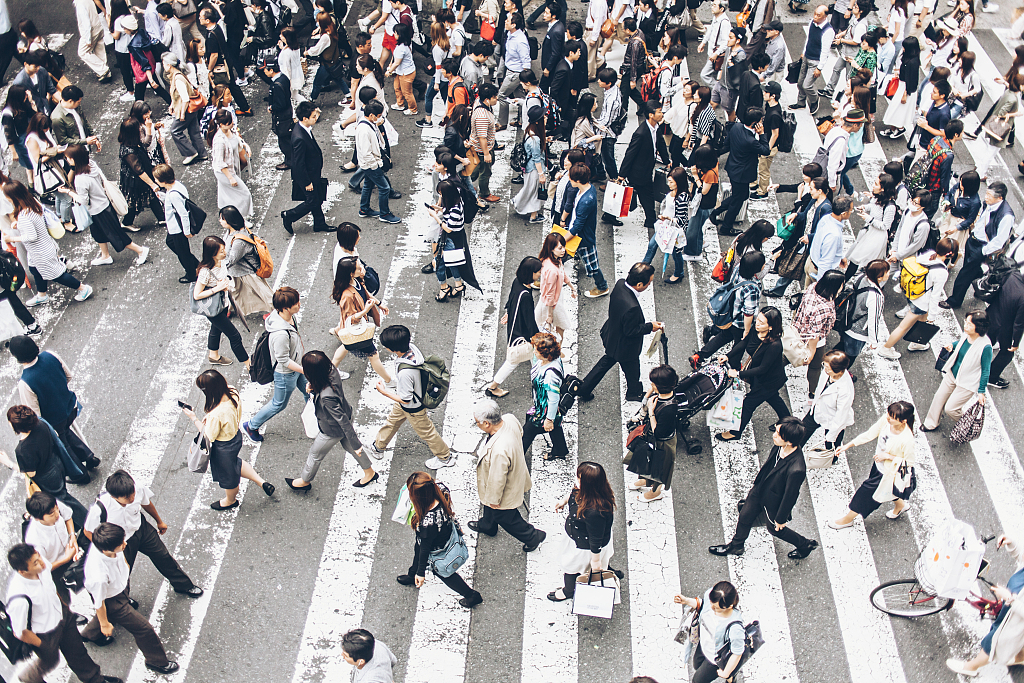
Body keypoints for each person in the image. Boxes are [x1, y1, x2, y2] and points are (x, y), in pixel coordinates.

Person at [5, 544, 123, 683]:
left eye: (39, 557)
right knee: (50, 661)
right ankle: (29, 678)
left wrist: (64, 608)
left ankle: (95, 680)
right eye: (35, 563)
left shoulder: (42, 567)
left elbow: (51, 586)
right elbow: (20, 632)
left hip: (64, 618)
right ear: (23, 571)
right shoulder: (19, 598)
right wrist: (42, 645)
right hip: (45, 634)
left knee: (78, 652)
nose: (42, 562)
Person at [709, 416, 819, 559]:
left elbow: (790, 496)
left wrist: (781, 518)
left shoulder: (797, 469)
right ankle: (737, 545)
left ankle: (805, 545)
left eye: (778, 434)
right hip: (760, 489)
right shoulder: (780, 445)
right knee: (745, 516)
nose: (774, 435)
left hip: (773, 501)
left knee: (776, 529)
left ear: (790, 441)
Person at [80, 523, 180, 674]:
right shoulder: (98, 575)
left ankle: (90, 634)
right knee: (144, 629)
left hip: (119, 587)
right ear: (106, 550)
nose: (125, 544)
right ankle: (156, 662)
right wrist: (104, 624)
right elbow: (99, 602)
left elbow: (121, 558)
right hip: (113, 600)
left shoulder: (109, 545)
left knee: (112, 614)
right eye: (121, 544)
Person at [181, 370, 274, 510]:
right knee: (235, 463)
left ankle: (230, 501)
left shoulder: (217, 414)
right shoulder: (232, 391)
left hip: (223, 447)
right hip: (235, 437)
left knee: (229, 478)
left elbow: (208, 436)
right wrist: (210, 416)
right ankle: (261, 482)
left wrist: (194, 418)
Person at [284, 351, 375, 490]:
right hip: (346, 413)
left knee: (315, 454)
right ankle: (369, 472)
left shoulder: (327, 396)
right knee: (350, 447)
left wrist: (357, 444)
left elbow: (342, 421)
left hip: (332, 429)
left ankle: (304, 481)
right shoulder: (332, 371)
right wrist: (312, 387)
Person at [9, 336, 99, 475]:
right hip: (71, 406)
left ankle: (80, 474)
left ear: (17, 357)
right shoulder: (51, 355)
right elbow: (68, 376)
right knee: (67, 431)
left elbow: (36, 416)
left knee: (63, 447)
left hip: (56, 421)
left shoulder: (25, 383)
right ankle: (88, 456)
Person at [579, 262, 665, 402]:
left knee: (605, 363)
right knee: (633, 371)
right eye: (648, 283)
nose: (649, 285)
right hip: (625, 347)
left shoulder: (620, 284)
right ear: (639, 284)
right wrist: (650, 327)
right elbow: (631, 331)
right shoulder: (632, 308)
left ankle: (584, 388)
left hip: (612, 336)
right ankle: (633, 393)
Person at [467, 399, 546, 551]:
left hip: (506, 487)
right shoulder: (510, 419)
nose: (477, 425)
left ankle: (533, 536)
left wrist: (493, 499)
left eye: (477, 422)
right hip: (516, 471)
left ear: (487, 424)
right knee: (490, 507)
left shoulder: (499, 451)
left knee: (505, 517)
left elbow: (497, 479)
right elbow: (521, 433)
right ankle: (488, 525)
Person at [396, 471, 483, 607]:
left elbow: (425, 548)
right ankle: (412, 575)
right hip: (445, 533)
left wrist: (421, 573)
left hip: (437, 548)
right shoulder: (441, 489)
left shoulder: (427, 523)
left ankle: (471, 595)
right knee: (418, 550)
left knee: (443, 573)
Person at [372, 325, 453, 468]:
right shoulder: (412, 350)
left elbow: (405, 399)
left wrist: (383, 391)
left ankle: (445, 457)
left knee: (427, 432)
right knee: (392, 422)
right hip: (411, 400)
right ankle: (378, 447)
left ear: (392, 349)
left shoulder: (405, 372)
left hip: (413, 407)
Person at [2, 181, 93, 306]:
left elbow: (31, 236)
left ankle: (83, 288)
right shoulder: (32, 203)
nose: (6, 199)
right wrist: (19, 225)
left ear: (14, 197)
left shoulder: (24, 215)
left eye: (7, 196)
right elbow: (34, 224)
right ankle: (42, 295)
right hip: (44, 246)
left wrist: (11, 238)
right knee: (34, 269)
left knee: (56, 275)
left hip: (41, 252)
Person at [946, 533, 1024, 677]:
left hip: (1016, 620)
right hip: (1011, 610)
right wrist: (1012, 544)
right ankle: (1020, 656)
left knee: (994, 641)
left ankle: (971, 667)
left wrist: (1009, 598)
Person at [830, 401, 917, 527]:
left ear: (903, 421)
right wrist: (848, 445)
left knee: (865, 495)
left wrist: (888, 456)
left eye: (892, 417)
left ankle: (847, 520)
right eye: (889, 414)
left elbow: (909, 463)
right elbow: (870, 434)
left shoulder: (907, 439)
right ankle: (900, 505)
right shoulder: (886, 421)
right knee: (888, 490)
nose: (888, 418)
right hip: (878, 466)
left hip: (888, 473)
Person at [240, 287, 309, 442]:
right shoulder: (280, 334)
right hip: (286, 374)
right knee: (279, 404)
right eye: (296, 303)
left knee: (310, 392)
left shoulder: (288, 317)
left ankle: (317, 418)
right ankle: (251, 426)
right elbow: (283, 360)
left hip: (297, 366)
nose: (299, 304)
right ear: (285, 308)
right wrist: (304, 370)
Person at [714, 307, 789, 441]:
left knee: (748, 403)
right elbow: (744, 343)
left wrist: (738, 373)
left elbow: (763, 369)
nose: (757, 323)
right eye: (757, 319)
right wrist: (728, 355)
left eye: (761, 322)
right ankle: (788, 423)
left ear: (771, 327)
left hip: (769, 381)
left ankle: (735, 433)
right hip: (760, 377)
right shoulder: (757, 329)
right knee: (773, 398)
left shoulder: (775, 345)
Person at [3, 406, 89, 521]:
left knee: (64, 501)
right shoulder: (40, 423)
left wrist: (9, 463)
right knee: (63, 497)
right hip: (57, 464)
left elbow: (31, 473)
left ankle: (88, 521)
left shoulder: (23, 449)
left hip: (48, 479)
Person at [877, 236, 958, 359]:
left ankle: (918, 343)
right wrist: (932, 317)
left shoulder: (929, 255)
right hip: (921, 302)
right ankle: (886, 348)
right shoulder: (942, 272)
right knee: (903, 327)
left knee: (922, 320)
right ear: (950, 254)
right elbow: (935, 296)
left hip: (913, 292)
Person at [548, 462, 615, 601]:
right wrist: (564, 500)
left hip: (584, 546)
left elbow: (595, 538)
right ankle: (607, 568)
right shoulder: (593, 492)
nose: (576, 480)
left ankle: (568, 591)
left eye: (579, 478)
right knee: (597, 564)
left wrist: (595, 561)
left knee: (571, 568)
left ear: (588, 485)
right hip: (582, 538)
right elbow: (573, 493)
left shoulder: (594, 511)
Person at [943, 182, 1016, 309]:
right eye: (986, 193)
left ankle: (954, 301)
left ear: (1000, 197)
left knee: (965, 274)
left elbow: (1000, 240)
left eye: (989, 195)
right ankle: (980, 287)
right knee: (973, 269)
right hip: (973, 240)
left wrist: (983, 251)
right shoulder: (990, 204)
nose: (986, 197)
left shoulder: (1006, 216)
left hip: (982, 247)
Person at [922, 310, 992, 431]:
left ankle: (967, 425)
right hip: (952, 373)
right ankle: (931, 423)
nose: (965, 325)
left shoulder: (985, 347)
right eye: (966, 322)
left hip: (967, 383)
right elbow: (961, 343)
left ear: (979, 327)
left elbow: (986, 370)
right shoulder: (967, 334)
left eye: (969, 324)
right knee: (939, 397)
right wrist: (953, 345)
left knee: (951, 409)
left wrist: (981, 391)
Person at [693, 253, 765, 365]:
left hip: (729, 315)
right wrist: (747, 330)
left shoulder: (738, 269)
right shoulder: (751, 288)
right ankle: (733, 365)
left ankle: (699, 356)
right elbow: (748, 313)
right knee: (739, 344)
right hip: (740, 322)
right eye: (762, 264)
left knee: (723, 336)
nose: (764, 265)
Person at [485, 258, 542, 397]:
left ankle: (538, 381)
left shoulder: (517, 282)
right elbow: (530, 321)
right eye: (538, 271)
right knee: (514, 361)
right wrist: (537, 338)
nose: (540, 273)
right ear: (531, 273)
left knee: (532, 358)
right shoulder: (526, 296)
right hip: (522, 333)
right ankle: (492, 387)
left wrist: (509, 312)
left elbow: (511, 299)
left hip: (515, 327)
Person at [709, 106, 768, 236]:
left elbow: (727, 145)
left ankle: (716, 212)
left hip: (733, 168)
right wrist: (762, 134)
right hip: (742, 174)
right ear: (755, 123)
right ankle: (726, 227)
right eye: (761, 120)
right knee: (737, 201)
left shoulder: (736, 127)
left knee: (741, 196)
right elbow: (765, 150)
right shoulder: (750, 141)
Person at [192, 235, 250, 368]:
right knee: (235, 336)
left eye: (224, 249)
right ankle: (249, 364)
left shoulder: (222, 261)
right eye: (221, 251)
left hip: (223, 303)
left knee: (216, 328)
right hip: (213, 307)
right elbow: (197, 295)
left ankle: (213, 355)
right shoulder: (205, 272)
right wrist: (217, 288)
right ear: (213, 254)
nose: (225, 252)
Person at [625, 364, 679, 502]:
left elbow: (659, 433)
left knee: (659, 468)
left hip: (663, 442)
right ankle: (645, 480)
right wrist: (649, 395)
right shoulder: (665, 393)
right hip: (652, 437)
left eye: (653, 384)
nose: (651, 386)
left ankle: (656, 492)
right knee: (647, 460)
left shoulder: (669, 409)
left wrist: (651, 412)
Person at [673, 581, 745, 683]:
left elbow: (737, 653)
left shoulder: (735, 628)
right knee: (696, 665)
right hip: (704, 646)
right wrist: (686, 600)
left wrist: (726, 673)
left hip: (716, 659)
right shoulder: (710, 596)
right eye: (711, 604)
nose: (712, 608)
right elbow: (703, 604)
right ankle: (731, 676)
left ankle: (731, 678)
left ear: (729, 607)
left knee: (697, 681)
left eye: (716, 608)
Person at [792, 269, 845, 394]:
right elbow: (814, 335)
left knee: (787, 355)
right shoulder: (824, 308)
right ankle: (813, 392)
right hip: (812, 340)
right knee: (815, 367)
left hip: (797, 330)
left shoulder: (813, 287)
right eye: (841, 284)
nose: (843, 286)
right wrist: (811, 353)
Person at [618, 101, 670, 230]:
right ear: (651, 115)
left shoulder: (656, 127)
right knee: (645, 195)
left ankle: (650, 219)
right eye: (659, 111)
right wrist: (622, 174)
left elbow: (661, 144)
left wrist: (666, 160)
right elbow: (630, 154)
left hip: (645, 169)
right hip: (638, 172)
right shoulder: (640, 133)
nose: (662, 114)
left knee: (632, 194)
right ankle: (651, 220)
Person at [283, 102, 330, 234]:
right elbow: (298, 164)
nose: (316, 118)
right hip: (307, 175)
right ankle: (289, 215)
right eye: (313, 116)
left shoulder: (303, 128)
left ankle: (319, 223)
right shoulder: (300, 138)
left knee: (316, 198)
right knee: (312, 201)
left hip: (312, 173)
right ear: (305, 118)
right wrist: (306, 182)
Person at [520, 332, 568, 460]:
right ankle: (560, 450)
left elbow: (553, 399)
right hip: (542, 405)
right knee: (555, 427)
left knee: (527, 432)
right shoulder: (553, 360)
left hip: (544, 410)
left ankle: (516, 458)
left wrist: (549, 419)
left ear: (545, 354)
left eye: (536, 350)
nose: (534, 352)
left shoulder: (550, 375)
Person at [220, 206, 273, 315]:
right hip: (235, 271)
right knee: (233, 292)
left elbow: (231, 260)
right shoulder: (234, 231)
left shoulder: (239, 241)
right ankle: (228, 309)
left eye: (222, 219)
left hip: (247, 272)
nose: (220, 221)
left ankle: (277, 312)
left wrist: (216, 266)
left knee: (265, 294)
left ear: (230, 221)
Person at [836, 260, 889, 370]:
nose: (889, 273)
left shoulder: (861, 278)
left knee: (842, 347)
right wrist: (874, 341)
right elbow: (873, 319)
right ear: (879, 277)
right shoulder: (876, 296)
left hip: (846, 321)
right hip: (858, 332)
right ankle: (837, 372)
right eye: (887, 272)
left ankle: (831, 364)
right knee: (849, 357)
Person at [198, 8, 251, 115]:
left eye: (201, 17)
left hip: (220, 66)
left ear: (207, 20)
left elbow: (214, 55)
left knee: (221, 87)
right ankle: (245, 108)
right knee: (232, 85)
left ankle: (220, 111)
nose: (199, 19)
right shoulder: (217, 28)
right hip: (226, 61)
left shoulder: (211, 36)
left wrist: (209, 69)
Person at [152, 164, 199, 283]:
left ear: (163, 180)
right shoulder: (176, 186)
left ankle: (191, 274)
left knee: (183, 253)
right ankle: (195, 264)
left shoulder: (173, 195)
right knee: (172, 244)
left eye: (156, 179)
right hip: (175, 227)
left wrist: (186, 231)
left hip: (177, 228)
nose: (155, 181)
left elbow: (183, 214)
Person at [801, 349, 855, 449]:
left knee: (831, 447)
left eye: (827, 367)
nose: (824, 368)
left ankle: (832, 454)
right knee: (799, 436)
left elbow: (841, 415)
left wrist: (831, 436)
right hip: (816, 411)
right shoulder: (827, 372)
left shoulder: (845, 389)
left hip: (832, 419)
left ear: (838, 370)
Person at [206, 110, 253, 218]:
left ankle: (228, 217)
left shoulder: (229, 130)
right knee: (244, 194)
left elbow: (237, 139)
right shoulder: (219, 140)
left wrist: (245, 146)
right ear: (221, 124)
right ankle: (241, 217)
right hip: (225, 172)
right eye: (229, 122)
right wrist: (231, 178)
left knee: (228, 195)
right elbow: (219, 162)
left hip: (232, 166)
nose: (232, 123)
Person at [791, 6, 835, 115]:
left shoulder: (828, 31)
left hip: (815, 61)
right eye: (815, 13)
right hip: (806, 57)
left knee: (807, 85)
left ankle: (814, 99)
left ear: (825, 16)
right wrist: (804, 51)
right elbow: (809, 39)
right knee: (800, 82)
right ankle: (801, 102)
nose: (815, 17)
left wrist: (819, 68)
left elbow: (825, 51)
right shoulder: (812, 23)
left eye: (818, 15)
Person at [536, 232, 577, 340]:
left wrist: (572, 287)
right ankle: (557, 348)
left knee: (557, 330)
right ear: (551, 249)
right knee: (560, 330)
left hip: (554, 300)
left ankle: (556, 348)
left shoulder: (554, 259)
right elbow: (550, 294)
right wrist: (550, 315)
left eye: (563, 246)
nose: (563, 250)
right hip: (553, 304)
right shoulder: (552, 270)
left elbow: (562, 273)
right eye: (560, 248)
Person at [512, 108, 548, 222]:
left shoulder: (529, 132)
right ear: (537, 121)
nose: (545, 118)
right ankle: (533, 216)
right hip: (534, 169)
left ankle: (517, 201)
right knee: (535, 192)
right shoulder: (535, 139)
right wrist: (541, 175)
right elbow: (537, 159)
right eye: (543, 117)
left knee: (529, 189)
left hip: (528, 168)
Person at [806, 196, 850, 287]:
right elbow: (825, 262)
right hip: (818, 271)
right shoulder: (834, 235)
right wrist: (821, 285)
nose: (851, 213)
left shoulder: (826, 218)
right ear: (844, 213)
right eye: (851, 211)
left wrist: (840, 256)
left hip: (811, 262)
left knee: (807, 292)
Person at [13, 51, 57, 115]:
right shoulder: (19, 82)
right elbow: (20, 105)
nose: (38, 68)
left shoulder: (42, 71)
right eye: (35, 66)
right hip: (33, 115)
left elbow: (52, 89)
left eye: (39, 66)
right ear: (26, 64)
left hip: (46, 109)